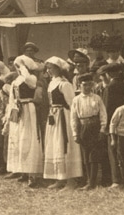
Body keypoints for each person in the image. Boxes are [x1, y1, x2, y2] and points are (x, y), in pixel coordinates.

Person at [43, 56, 82, 191]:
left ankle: (71, 181)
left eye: (51, 68)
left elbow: (72, 104)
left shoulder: (65, 84)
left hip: (64, 118)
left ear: (58, 69)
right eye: (47, 68)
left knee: (65, 146)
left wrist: (73, 122)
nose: (48, 71)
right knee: (55, 146)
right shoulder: (51, 83)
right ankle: (59, 178)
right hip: (54, 117)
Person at [6, 54, 44, 186]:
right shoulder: (16, 81)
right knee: (18, 139)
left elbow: (31, 84)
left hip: (28, 109)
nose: (17, 68)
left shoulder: (31, 78)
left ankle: (32, 174)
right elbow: (12, 99)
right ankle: (23, 171)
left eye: (19, 66)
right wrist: (9, 116)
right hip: (18, 110)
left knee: (29, 139)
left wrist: (23, 68)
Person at [70, 73, 107, 190]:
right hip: (83, 127)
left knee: (94, 156)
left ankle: (92, 182)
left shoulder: (97, 98)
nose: (87, 87)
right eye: (84, 85)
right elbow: (73, 117)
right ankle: (88, 180)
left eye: (89, 85)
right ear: (79, 85)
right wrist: (75, 133)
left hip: (95, 127)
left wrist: (102, 129)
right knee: (86, 156)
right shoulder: (76, 100)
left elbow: (103, 114)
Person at [101, 63, 124, 188]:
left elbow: (106, 108)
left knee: (113, 152)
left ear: (109, 74)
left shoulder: (109, 88)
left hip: (113, 123)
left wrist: (105, 126)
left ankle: (116, 180)